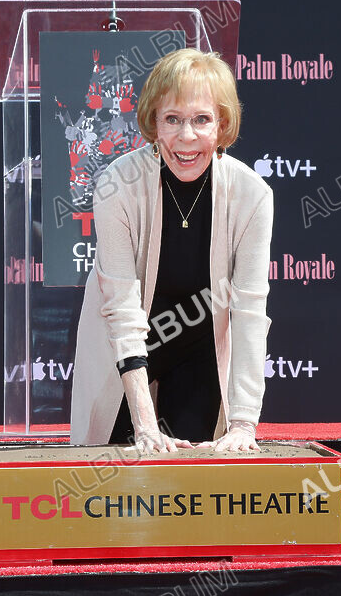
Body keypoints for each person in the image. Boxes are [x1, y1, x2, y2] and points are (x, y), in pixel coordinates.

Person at [70, 48, 273, 453]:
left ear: (223, 124)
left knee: (195, 486)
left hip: (200, 349)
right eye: (173, 120)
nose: (186, 137)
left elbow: (249, 312)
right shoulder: (117, 185)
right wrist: (145, 423)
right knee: (115, 484)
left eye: (201, 120)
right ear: (153, 123)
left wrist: (244, 424)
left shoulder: (253, 195)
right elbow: (123, 312)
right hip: (124, 349)